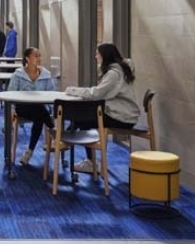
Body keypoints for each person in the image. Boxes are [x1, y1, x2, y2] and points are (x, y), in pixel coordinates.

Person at [65, 42, 141, 173]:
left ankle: (69, 145)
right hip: (126, 115)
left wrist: (71, 90)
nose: (95, 57)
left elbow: (95, 94)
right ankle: (65, 140)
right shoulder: (122, 69)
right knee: (82, 119)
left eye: (97, 54)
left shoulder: (114, 74)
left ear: (105, 56)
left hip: (121, 118)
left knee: (81, 120)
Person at [7, 46, 54, 165]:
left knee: (39, 114)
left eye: (39, 56)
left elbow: (51, 95)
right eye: (36, 56)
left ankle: (29, 152)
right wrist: (11, 110)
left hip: (40, 110)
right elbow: (10, 93)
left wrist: (51, 110)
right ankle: (54, 132)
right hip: (22, 108)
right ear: (27, 59)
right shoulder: (18, 74)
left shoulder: (46, 75)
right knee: (39, 109)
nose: (39, 58)